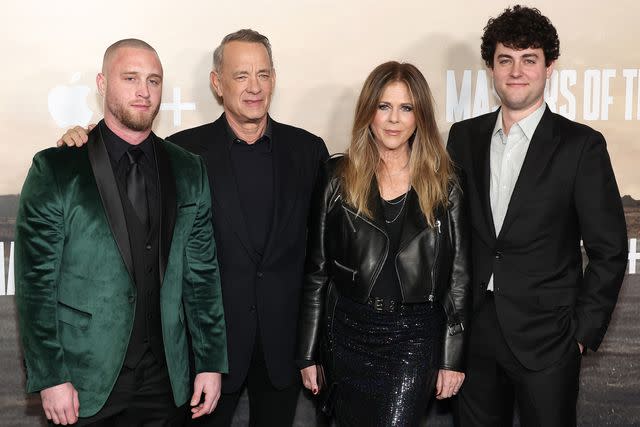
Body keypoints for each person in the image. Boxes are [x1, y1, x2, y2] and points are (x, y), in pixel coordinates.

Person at [58, 29, 329, 427]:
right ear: (217, 83)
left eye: (264, 74)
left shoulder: (309, 151)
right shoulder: (180, 153)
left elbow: (322, 257)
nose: (254, 87)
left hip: (283, 349)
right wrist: (76, 141)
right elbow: (118, 163)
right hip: (206, 355)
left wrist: (313, 347)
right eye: (241, 76)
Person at [15, 38, 227, 426]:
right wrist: (51, 376)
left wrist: (210, 363)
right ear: (101, 83)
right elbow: (35, 285)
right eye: (130, 78)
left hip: (165, 383)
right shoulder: (57, 168)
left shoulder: (188, 169)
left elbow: (202, 277)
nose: (144, 91)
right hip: (83, 384)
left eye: (154, 80)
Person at [446, 6, 628, 427]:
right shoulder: (463, 137)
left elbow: (609, 249)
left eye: (529, 59)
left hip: (550, 338)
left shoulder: (581, 146)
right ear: (491, 67)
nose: (516, 71)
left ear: (549, 68)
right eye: (505, 59)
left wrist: (580, 334)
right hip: (474, 334)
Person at [296, 61, 471, 426]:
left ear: (420, 115)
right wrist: (308, 352)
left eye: (406, 108)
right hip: (346, 334)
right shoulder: (336, 177)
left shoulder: (446, 184)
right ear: (368, 113)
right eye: (384, 106)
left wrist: (451, 359)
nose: (394, 119)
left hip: (413, 338)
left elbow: (458, 279)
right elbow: (317, 272)